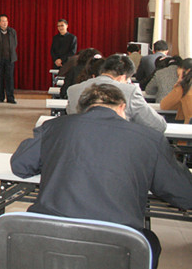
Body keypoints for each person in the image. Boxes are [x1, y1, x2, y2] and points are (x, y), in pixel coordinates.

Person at [11, 83, 192, 269]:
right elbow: (185, 194)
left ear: (83, 109)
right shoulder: (150, 138)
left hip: (47, 236)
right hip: (115, 246)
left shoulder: (53, 127)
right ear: (122, 107)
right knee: (150, 241)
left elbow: (20, 165)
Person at [66, 54, 166, 132]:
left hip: (80, 145)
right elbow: (158, 125)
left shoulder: (73, 90)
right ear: (123, 77)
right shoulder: (130, 91)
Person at [0, 14, 18, 103]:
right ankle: (0, 97)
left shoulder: (12, 31)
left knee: (10, 78)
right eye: (3, 21)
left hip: (10, 59)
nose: (5, 23)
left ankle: (10, 98)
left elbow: (15, 44)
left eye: (6, 21)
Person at [160, 58, 192, 124]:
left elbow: (164, 106)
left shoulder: (184, 87)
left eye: (179, 75)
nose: (179, 78)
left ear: (187, 71)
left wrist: (177, 86)